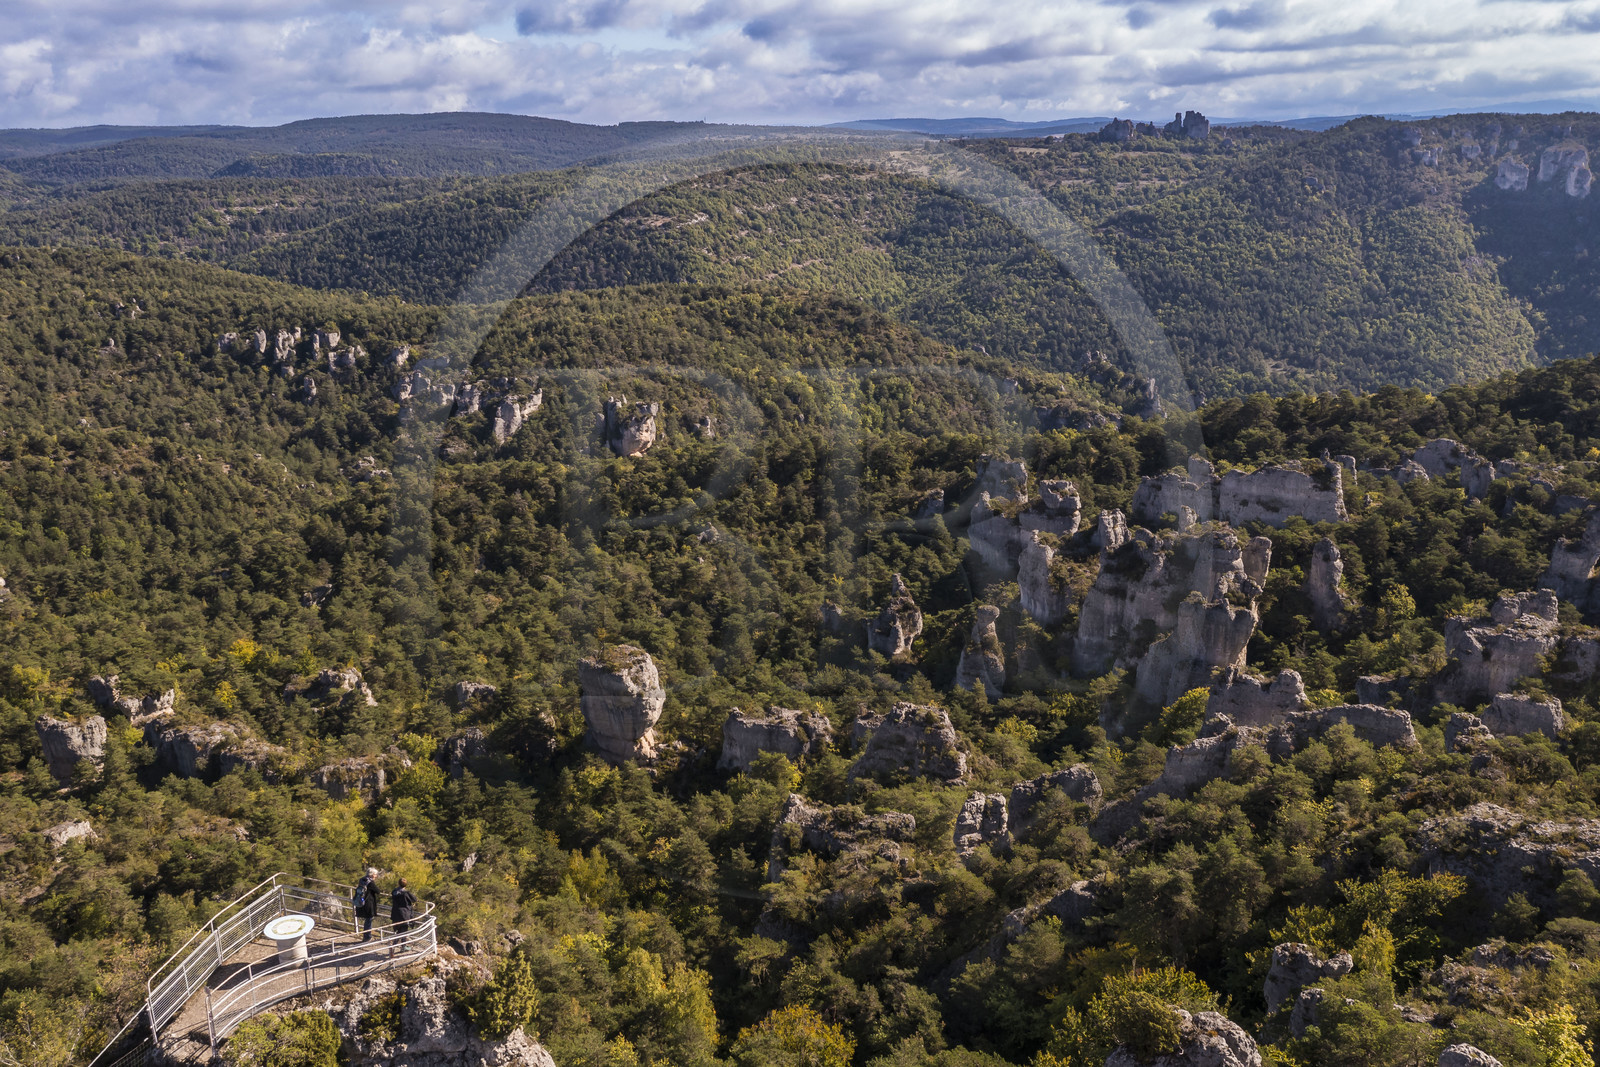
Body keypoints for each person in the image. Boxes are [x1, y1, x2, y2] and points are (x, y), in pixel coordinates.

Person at [353, 867, 379, 942]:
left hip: (361, 902)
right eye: (375, 874)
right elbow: (378, 891)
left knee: (367, 920)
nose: (376, 876)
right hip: (368, 903)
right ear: (372, 875)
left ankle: (366, 936)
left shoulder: (362, 880)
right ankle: (367, 936)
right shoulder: (370, 882)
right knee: (369, 920)